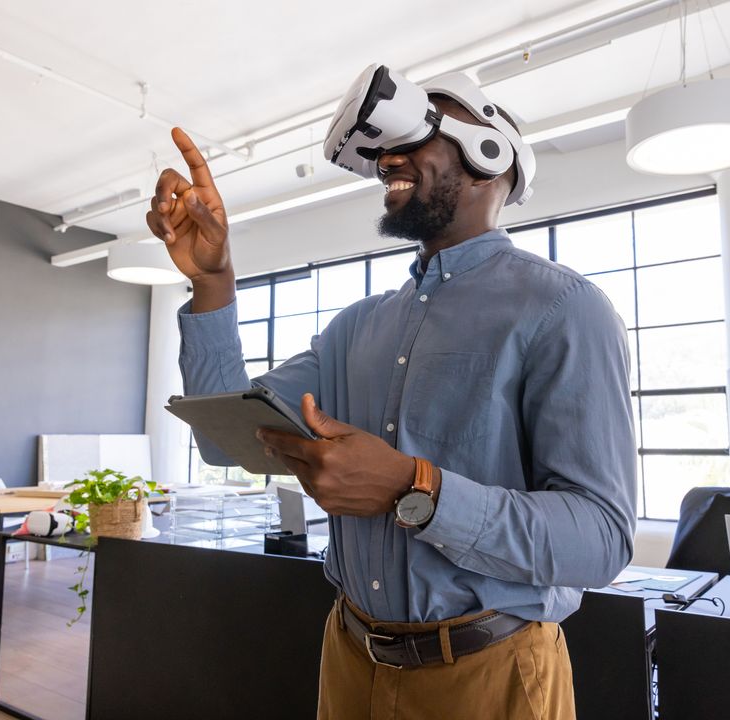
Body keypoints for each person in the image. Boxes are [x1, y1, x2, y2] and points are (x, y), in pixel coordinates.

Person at [146, 72, 636, 720]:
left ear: (490, 155)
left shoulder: (563, 309)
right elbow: (224, 438)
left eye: (415, 138)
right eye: (384, 148)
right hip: (350, 659)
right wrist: (214, 281)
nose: (388, 160)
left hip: (492, 673)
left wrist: (415, 487)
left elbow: (600, 539)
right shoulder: (355, 328)